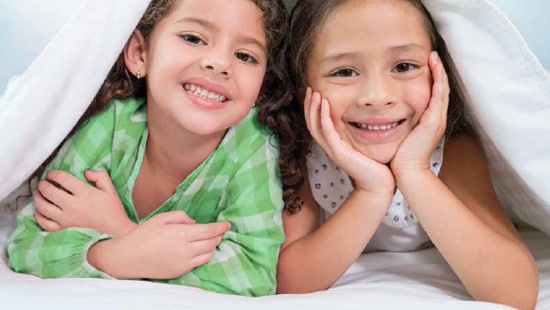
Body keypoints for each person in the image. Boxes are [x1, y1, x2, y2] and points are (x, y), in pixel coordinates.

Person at [4, 0, 291, 297]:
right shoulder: (108, 127)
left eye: (245, 56)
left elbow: (254, 276)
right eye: (193, 38)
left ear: (262, 85)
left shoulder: (253, 145)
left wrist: (124, 232)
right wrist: (115, 255)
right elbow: (26, 246)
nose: (219, 63)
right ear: (140, 53)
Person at [275, 0, 539, 308]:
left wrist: (415, 171)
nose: (377, 97)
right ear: (303, 90)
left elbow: (515, 293)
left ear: (440, 76)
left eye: (403, 66)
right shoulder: (304, 156)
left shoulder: (454, 152)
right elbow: (290, 283)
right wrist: (371, 190)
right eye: (345, 71)